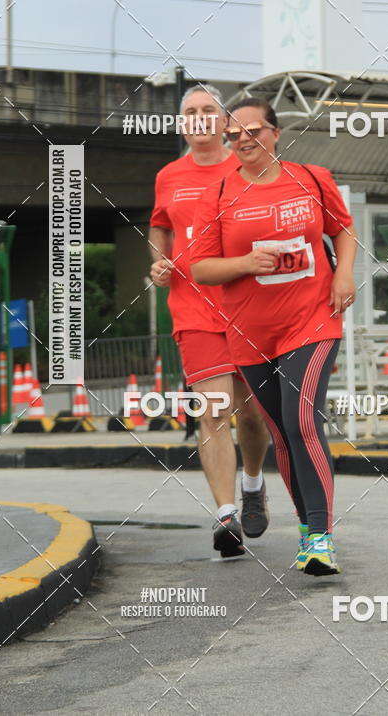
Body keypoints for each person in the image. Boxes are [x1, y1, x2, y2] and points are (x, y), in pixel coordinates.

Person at [190, 98, 358, 575]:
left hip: (312, 320)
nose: (244, 140)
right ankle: (307, 527)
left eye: (254, 131)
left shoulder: (310, 178)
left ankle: (322, 537)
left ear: (276, 133)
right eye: (234, 134)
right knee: (283, 431)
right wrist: (245, 264)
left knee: (304, 418)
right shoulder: (219, 193)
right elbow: (201, 267)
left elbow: (343, 229)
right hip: (250, 333)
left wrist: (343, 274)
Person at [149, 85, 270, 558]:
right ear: (182, 123)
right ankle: (225, 515)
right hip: (194, 310)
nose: (199, 118)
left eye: (208, 111)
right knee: (214, 410)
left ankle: (254, 484)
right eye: (189, 112)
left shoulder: (247, 167)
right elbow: (160, 225)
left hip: (247, 307)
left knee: (253, 415)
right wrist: (159, 262)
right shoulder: (168, 176)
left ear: (224, 122)